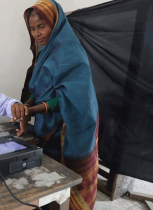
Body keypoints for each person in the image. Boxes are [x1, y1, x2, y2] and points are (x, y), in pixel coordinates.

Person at [19, 0, 99, 209]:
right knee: (48, 179)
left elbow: (70, 97)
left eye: (41, 26)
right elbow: (39, 87)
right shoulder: (43, 50)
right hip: (49, 125)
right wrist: (27, 104)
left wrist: (33, 109)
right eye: (32, 28)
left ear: (54, 24)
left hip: (72, 125)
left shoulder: (71, 52)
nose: (37, 34)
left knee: (69, 177)